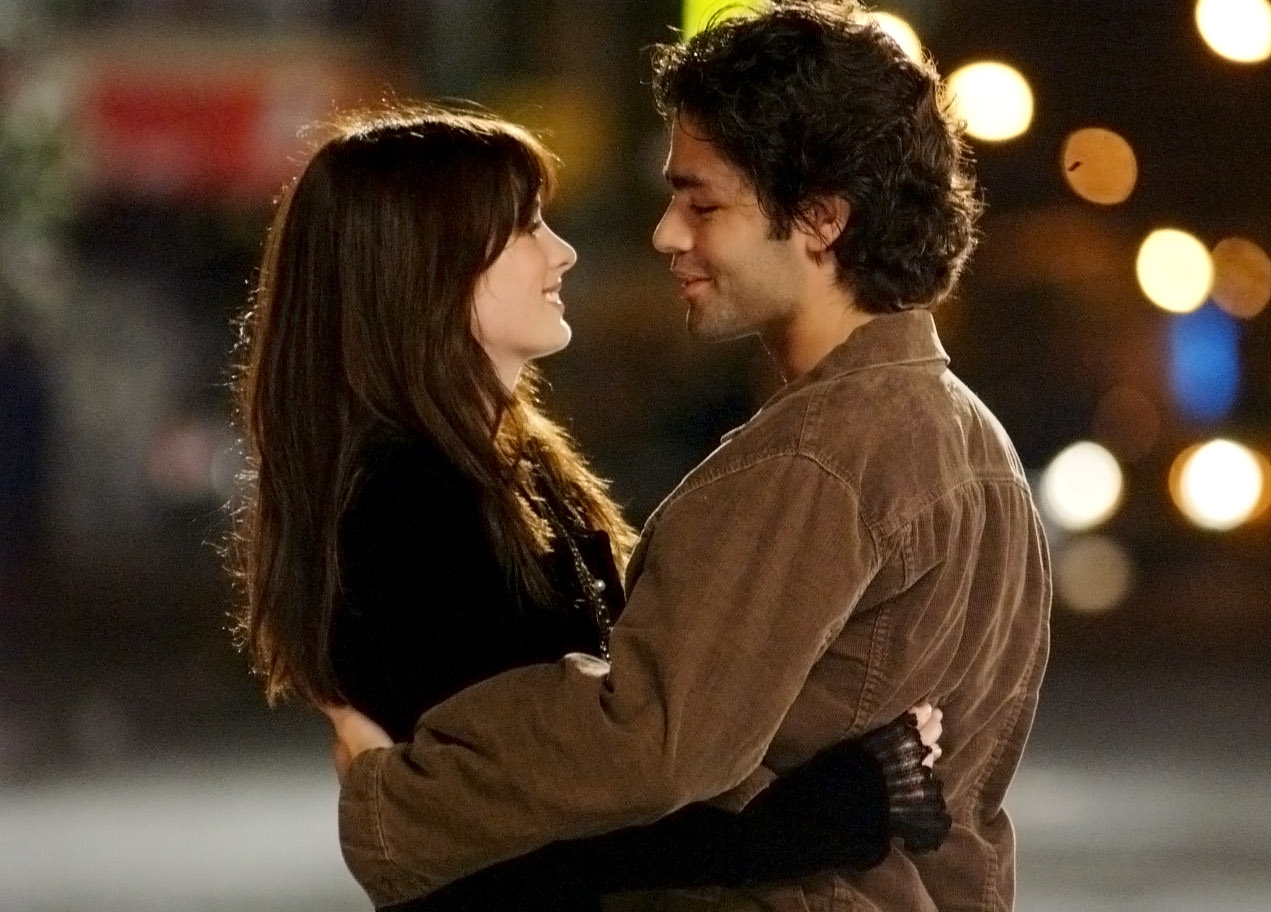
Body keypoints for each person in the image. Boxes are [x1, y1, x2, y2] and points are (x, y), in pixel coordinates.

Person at [329, 2, 1052, 909]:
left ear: (821, 218)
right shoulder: (973, 442)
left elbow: (646, 740)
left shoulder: (811, 463)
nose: (667, 233)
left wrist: (396, 801)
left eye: (702, 203)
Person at [229, 104, 953, 911]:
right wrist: (841, 807)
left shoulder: (511, 473)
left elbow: (589, 767)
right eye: (525, 227)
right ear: (425, 265)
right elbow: (519, 829)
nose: (561, 252)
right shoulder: (403, 510)